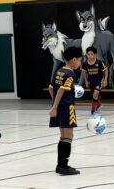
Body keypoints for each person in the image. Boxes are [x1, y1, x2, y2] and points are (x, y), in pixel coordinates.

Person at [48, 46, 82, 175]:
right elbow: (62, 89)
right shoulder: (70, 74)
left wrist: (55, 103)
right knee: (69, 136)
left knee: (63, 136)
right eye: (79, 60)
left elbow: (51, 88)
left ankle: (60, 165)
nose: (79, 63)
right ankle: (64, 166)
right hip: (67, 107)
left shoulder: (59, 71)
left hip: (60, 107)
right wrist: (54, 107)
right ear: (73, 60)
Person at [81, 46, 108, 115]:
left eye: (91, 54)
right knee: (94, 95)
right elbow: (84, 72)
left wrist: (105, 80)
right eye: (88, 54)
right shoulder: (85, 64)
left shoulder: (99, 62)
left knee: (96, 93)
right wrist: (86, 81)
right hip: (91, 81)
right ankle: (98, 105)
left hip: (99, 81)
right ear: (86, 55)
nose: (90, 56)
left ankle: (93, 108)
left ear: (95, 54)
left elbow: (106, 70)